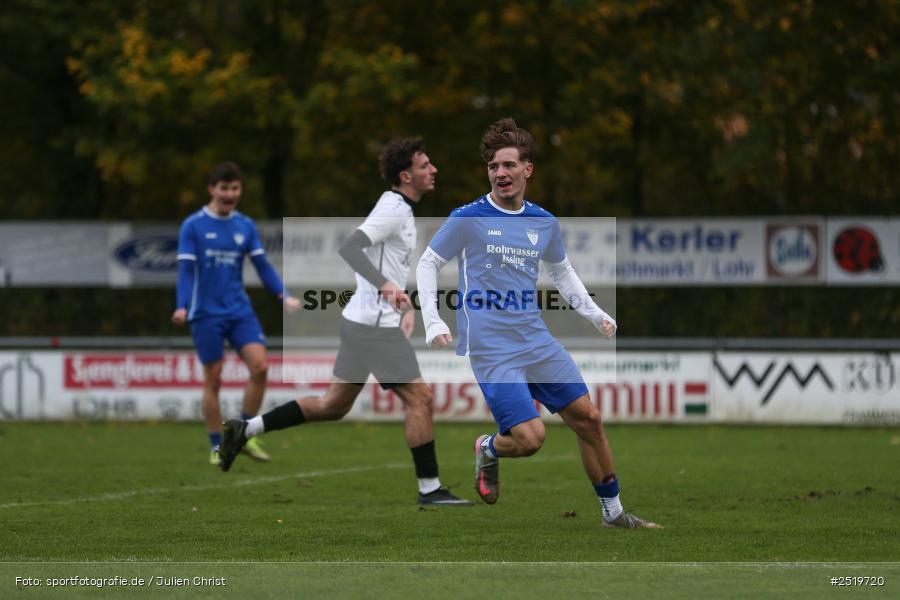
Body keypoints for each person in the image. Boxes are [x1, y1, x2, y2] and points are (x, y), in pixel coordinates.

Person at [416, 118, 660, 528]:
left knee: (589, 419)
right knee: (530, 440)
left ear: (527, 169)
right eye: (493, 166)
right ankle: (490, 447)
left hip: (534, 338)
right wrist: (433, 321)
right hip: (492, 346)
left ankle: (614, 515)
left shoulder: (543, 222)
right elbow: (428, 263)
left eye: (509, 165)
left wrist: (595, 313)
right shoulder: (468, 217)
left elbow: (562, 273)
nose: (501, 173)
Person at [219, 138, 471, 506]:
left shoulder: (399, 208)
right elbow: (350, 248)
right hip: (374, 328)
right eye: (425, 165)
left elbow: (387, 267)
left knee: (333, 405)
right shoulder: (394, 208)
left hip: (362, 322)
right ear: (406, 175)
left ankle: (247, 428)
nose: (433, 170)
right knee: (421, 399)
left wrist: (405, 305)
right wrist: (386, 287)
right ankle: (430, 489)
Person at [172, 161, 300, 466]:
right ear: (212, 190)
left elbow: (263, 267)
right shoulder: (193, 226)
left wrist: (283, 294)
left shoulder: (244, 225)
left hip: (239, 311)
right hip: (206, 314)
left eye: (235, 188)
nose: (230, 194)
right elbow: (186, 272)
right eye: (224, 188)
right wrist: (182, 305)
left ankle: (243, 433)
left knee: (261, 367)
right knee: (213, 380)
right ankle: (217, 444)